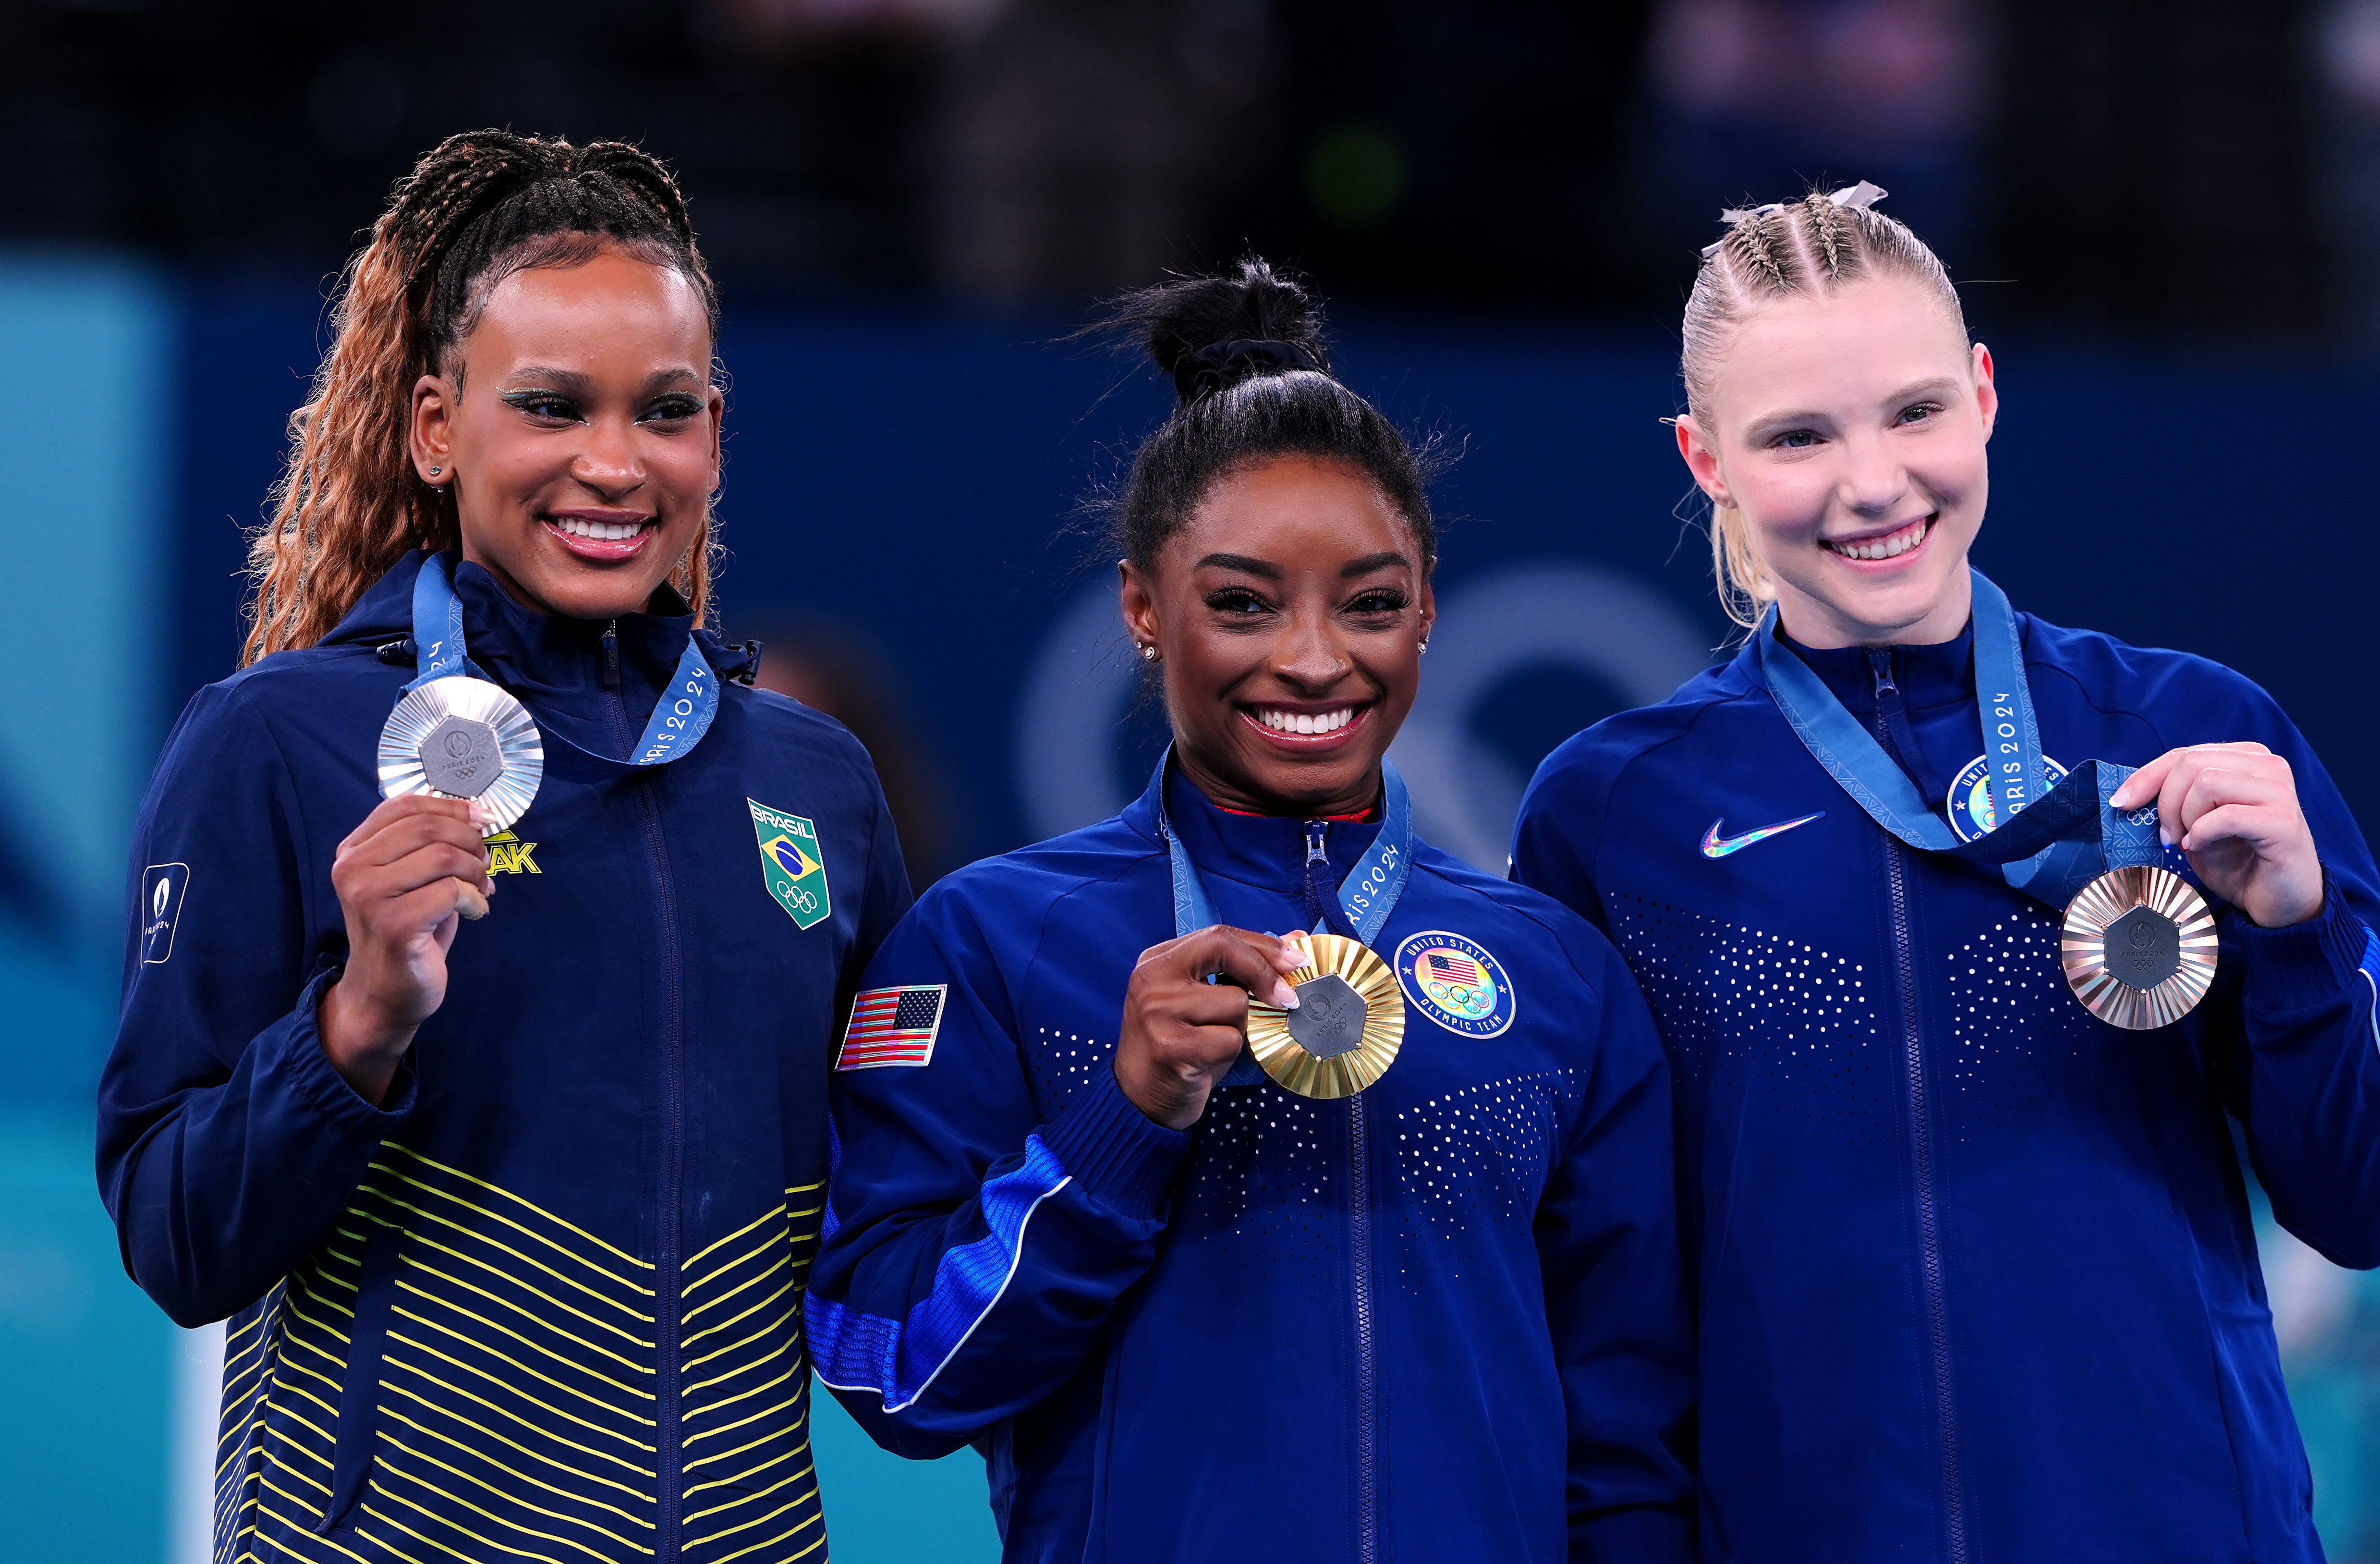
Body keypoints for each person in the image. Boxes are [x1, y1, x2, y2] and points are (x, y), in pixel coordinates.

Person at [1512, 182, 2380, 1563]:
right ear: (1704, 459)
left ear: (1982, 393)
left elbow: (2358, 1200)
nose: (1871, 483)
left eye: (1913, 410)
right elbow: (1599, 1281)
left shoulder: (2186, 735)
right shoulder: (1615, 812)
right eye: (1797, 435)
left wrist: (2294, 934)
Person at [97, 132, 911, 1564]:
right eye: (549, 406)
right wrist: (352, 1029)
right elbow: (175, 1237)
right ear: (434, 426)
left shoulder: (814, 783)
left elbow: (899, 1222)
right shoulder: (279, 743)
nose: (612, 463)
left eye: (664, 412)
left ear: (715, 434)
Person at [805, 260, 1695, 1563]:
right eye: (1241, 603)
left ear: (1429, 612)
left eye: (1372, 604)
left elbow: (1626, 1450)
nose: (1315, 659)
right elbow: (891, 1380)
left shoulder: (1555, 974)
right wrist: (1120, 1127)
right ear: (1140, 610)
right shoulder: (992, 940)